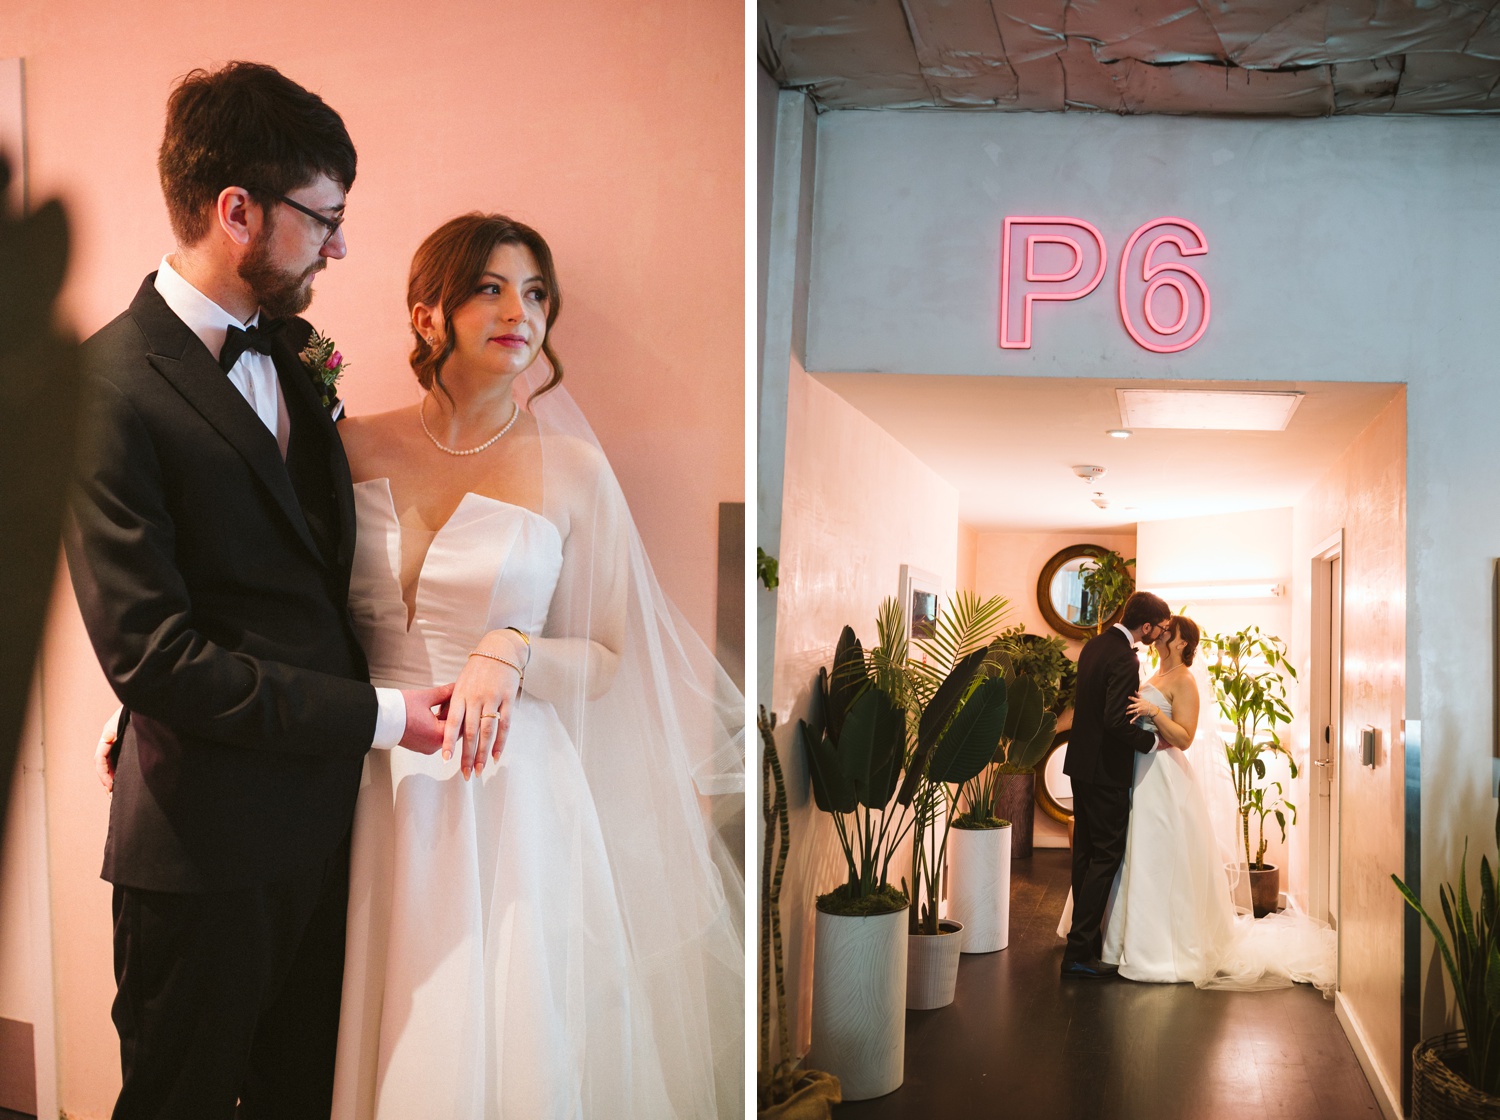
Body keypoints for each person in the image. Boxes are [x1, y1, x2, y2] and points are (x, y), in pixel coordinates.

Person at [65, 63, 452, 1119]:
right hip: (204, 853)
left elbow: (300, 570)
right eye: (323, 218)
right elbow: (153, 652)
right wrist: (379, 716)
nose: (340, 245)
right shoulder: (103, 390)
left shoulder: (295, 352)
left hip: (329, 834)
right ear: (237, 210)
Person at [328, 213, 744, 1119]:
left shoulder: (576, 470)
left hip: (509, 788)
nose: (520, 311)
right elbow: (288, 609)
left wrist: (508, 649)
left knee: (513, 1033)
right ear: (427, 313)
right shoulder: (351, 445)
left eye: (536, 292)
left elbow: (602, 658)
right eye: (490, 287)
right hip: (369, 776)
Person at [1060, 590, 1172, 979]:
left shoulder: (1094, 645)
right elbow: (1114, 719)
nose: (1159, 635)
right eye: (1158, 628)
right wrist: (1151, 742)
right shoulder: (1125, 657)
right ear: (1145, 626)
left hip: (1080, 765)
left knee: (1085, 855)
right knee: (1106, 856)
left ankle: (1083, 943)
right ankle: (1078, 953)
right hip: (1106, 771)